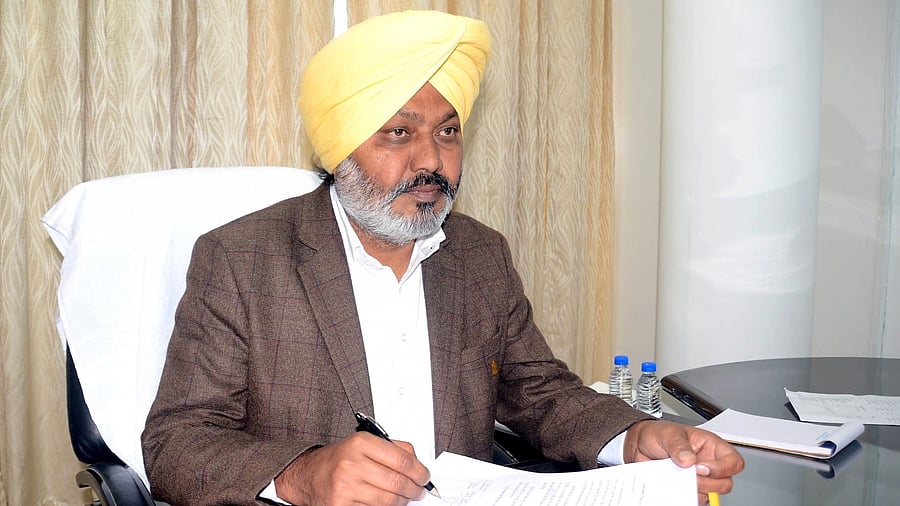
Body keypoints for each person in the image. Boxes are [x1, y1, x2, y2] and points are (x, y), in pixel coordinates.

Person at [142, 10, 743, 506]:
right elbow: (177, 443)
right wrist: (302, 475)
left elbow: (540, 393)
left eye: (448, 132)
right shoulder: (241, 260)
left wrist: (633, 436)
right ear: (340, 148)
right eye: (399, 133)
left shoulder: (480, 254)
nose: (431, 161)